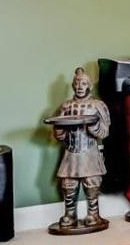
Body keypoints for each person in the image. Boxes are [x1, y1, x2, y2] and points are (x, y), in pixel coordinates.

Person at [44, 67, 111, 234]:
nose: (80, 86)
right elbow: (60, 135)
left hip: (89, 151)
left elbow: (104, 132)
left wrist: (93, 125)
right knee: (69, 184)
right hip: (71, 153)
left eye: (84, 83)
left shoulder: (97, 105)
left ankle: (93, 214)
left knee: (92, 183)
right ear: (73, 86)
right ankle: (70, 215)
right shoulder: (66, 106)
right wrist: (59, 128)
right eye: (77, 83)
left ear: (89, 86)